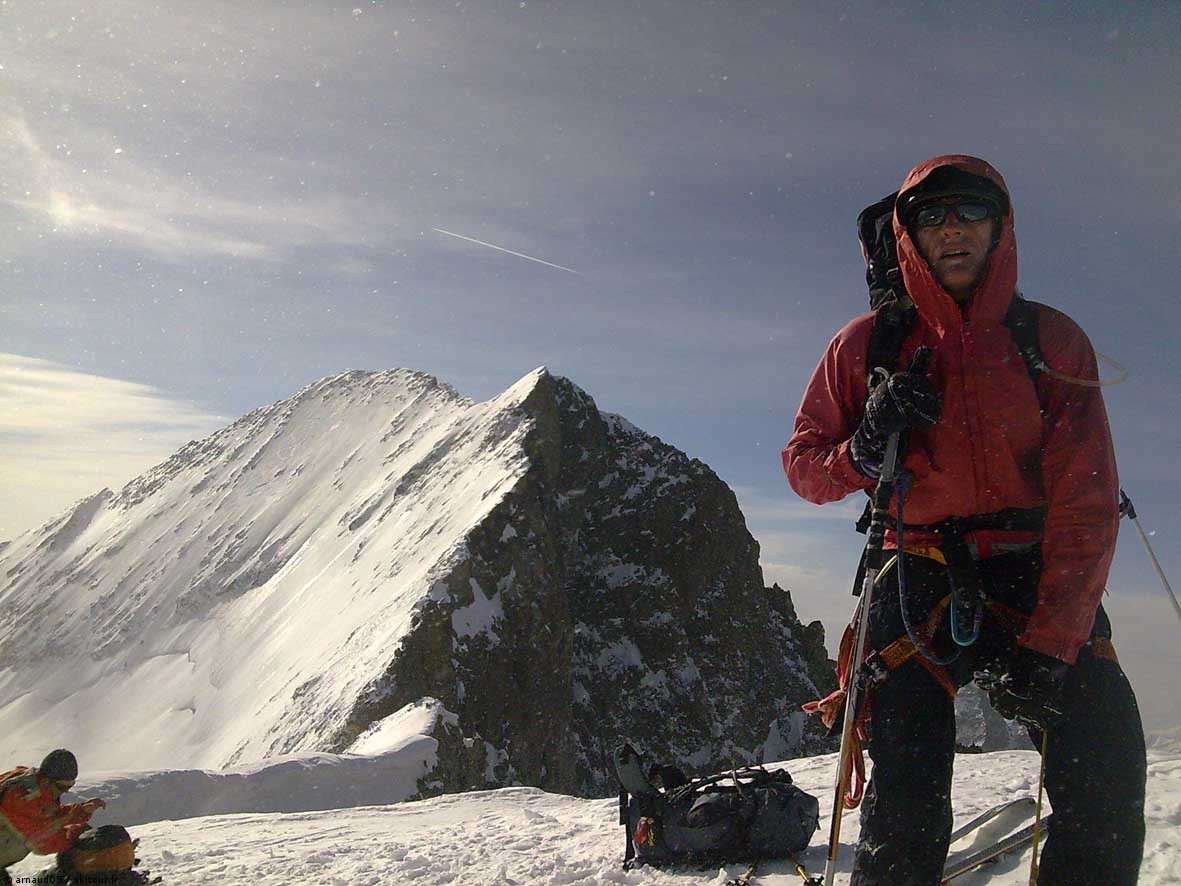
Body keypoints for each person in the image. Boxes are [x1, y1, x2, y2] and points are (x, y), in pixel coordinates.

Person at [782, 155, 1146, 884]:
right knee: (906, 802)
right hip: (914, 565)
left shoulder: (1048, 339)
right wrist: (862, 446)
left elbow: (1084, 497)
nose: (950, 229)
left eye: (967, 213)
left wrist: (1054, 641)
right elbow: (805, 467)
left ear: (998, 228)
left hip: (1033, 568)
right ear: (907, 234)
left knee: (1105, 778)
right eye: (931, 216)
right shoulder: (865, 346)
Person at [0, 749, 106, 885]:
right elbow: (40, 840)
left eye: (70, 786)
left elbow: (46, 816)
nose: (65, 791)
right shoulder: (21, 795)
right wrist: (78, 837)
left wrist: (81, 811)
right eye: (62, 786)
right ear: (46, 779)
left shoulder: (34, 786)